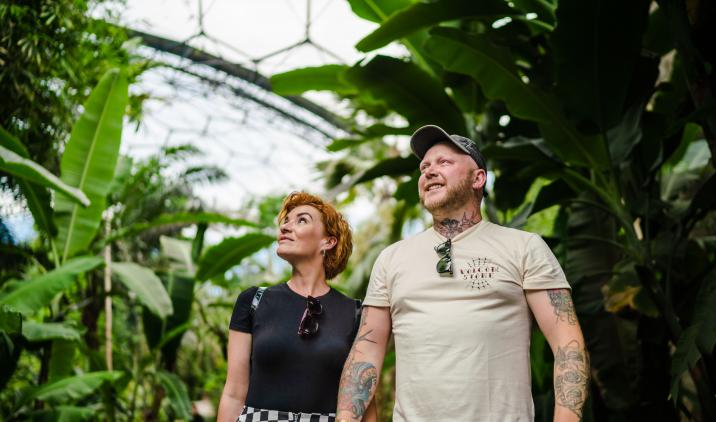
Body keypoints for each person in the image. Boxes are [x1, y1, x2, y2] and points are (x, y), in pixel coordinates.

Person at [336, 125, 590, 422]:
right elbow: (366, 353)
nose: (429, 172)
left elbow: (566, 342)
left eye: (444, 162)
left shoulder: (524, 247)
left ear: (478, 178)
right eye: (424, 167)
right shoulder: (391, 258)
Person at [217, 192, 376, 422]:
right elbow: (233, 394)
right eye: (286, 221)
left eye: (301, 220)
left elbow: (365, 403)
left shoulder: (356, 313)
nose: (285, 227)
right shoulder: (253, 301)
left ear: (328, 241)